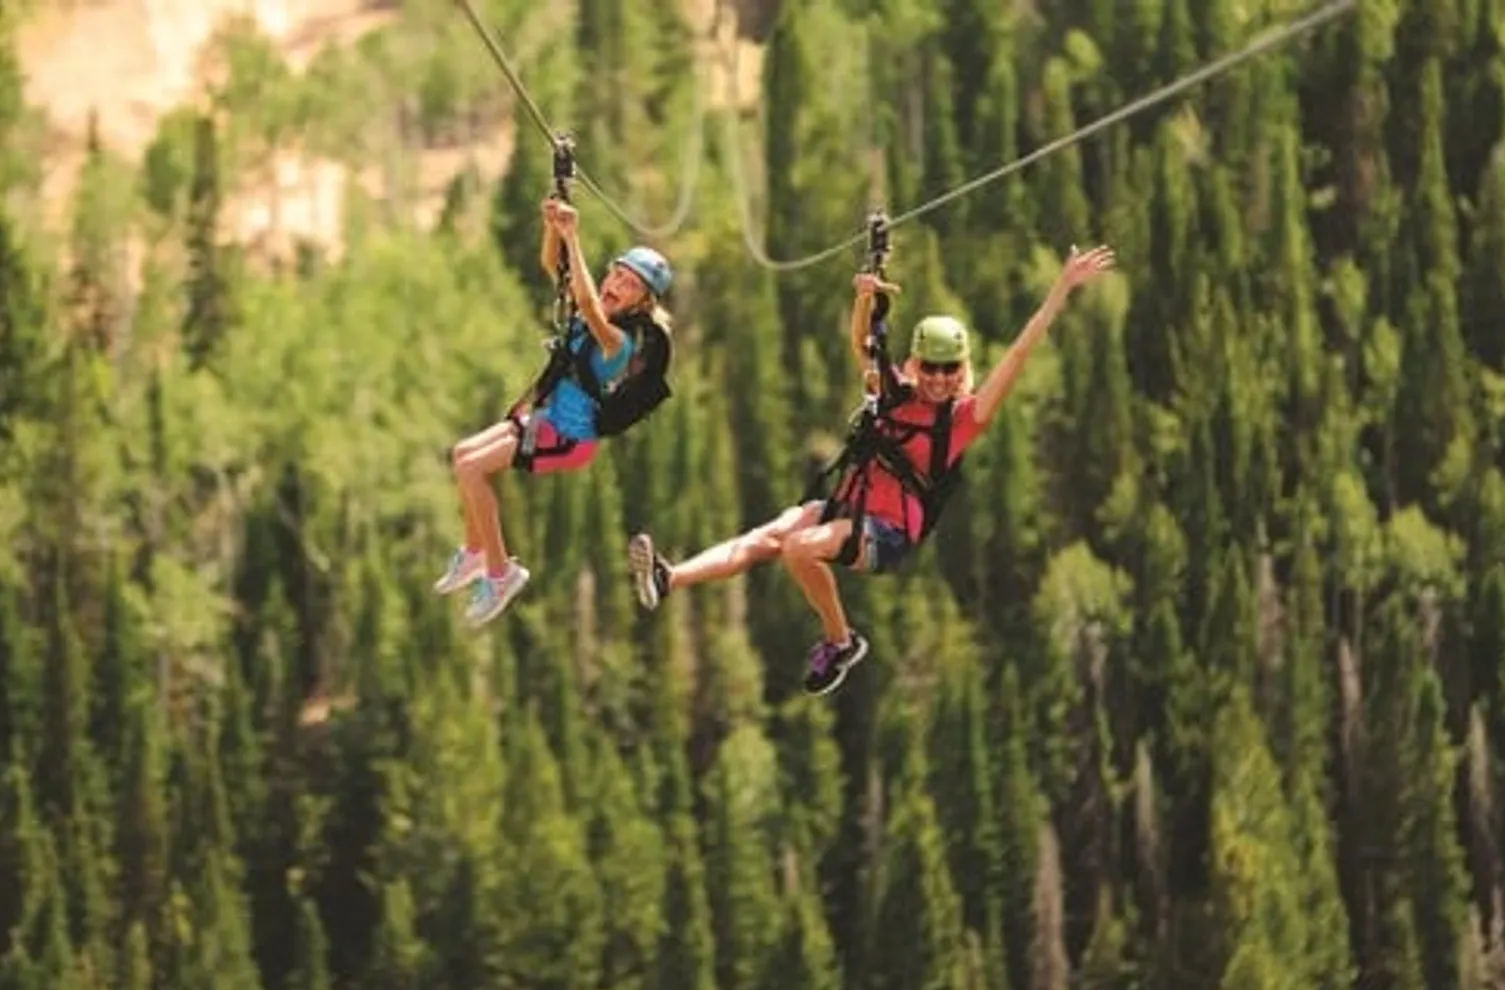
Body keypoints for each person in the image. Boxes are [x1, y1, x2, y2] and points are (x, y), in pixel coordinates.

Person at [625, 243, 1116, 694]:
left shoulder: (964, 420)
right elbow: (862, 343)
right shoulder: (895, 391)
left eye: (949, 369)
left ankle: (841, 642)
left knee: (798, 548)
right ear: (916, 364)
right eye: (930, 368)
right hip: (850, 506)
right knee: (767, 538)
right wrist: (864, 296)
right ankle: (669, 579)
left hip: (888, 532)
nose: (938, 379)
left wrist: (1061, 287)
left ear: (962, 370)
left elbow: (1020, 353)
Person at [435, 197, 676, 627]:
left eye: (630, 285)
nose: (616, 284)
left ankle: (500, 574)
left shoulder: (617, 342)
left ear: (642, 305)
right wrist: (553, 226)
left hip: (567, 436)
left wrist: (573, 236)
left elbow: (586, 301)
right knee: (462, 455)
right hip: (545, 420)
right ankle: (475, 552)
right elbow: (554, 265)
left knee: (473, 470)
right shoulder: (590, 313)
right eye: (616, 274)